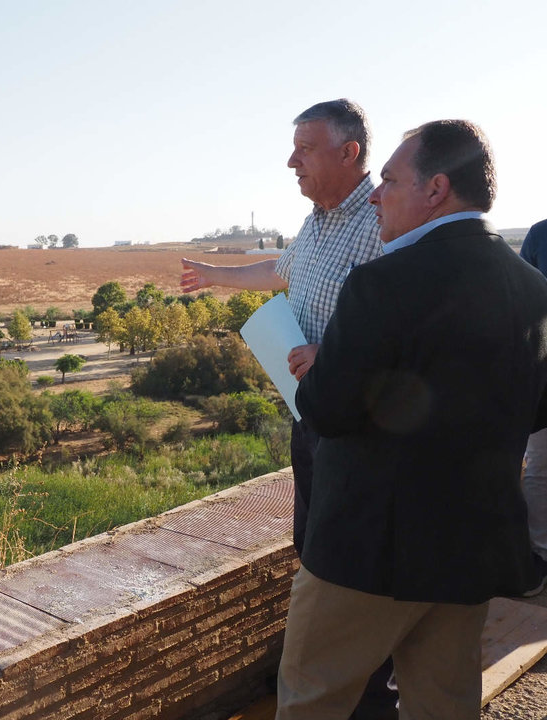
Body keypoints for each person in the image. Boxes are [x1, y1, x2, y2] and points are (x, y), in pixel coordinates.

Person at [276, 120, 547, 720]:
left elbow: (325, 410)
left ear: (436, 189)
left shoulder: (380, 284)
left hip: (365, 552)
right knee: (443, 705)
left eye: (391, 180)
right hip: (469, 551)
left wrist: (322, 366)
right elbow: (537, 408)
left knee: (311, 700)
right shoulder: (533, 288)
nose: (376, 193)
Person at [180, 99, 383, 555]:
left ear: (348, 153)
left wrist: (332, 357)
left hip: (359, 425)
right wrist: (214, 275)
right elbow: (281, 270)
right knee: (311, 538)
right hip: (309, 412)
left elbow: (412, 321)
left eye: (305, 149)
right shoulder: (315, 222)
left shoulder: (384, 222)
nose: (292, 162)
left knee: (349, 544)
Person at [520, 219, 547, 595]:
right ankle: (541, 555)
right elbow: (523, 299)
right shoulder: (541, 234)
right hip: (544, 369)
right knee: (539, 466)